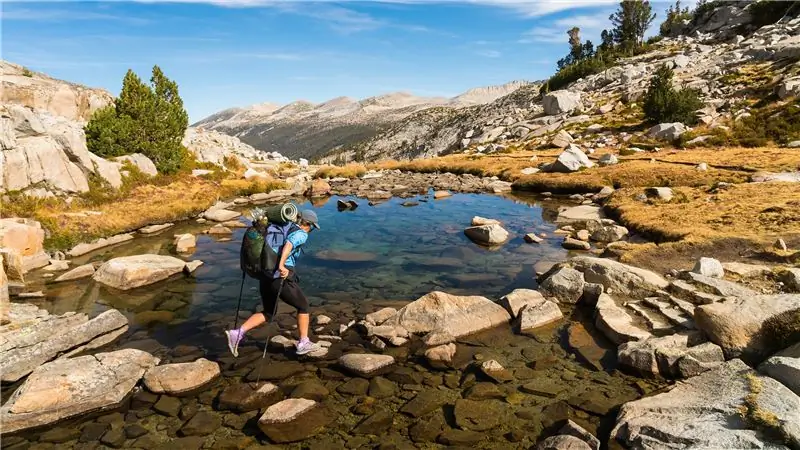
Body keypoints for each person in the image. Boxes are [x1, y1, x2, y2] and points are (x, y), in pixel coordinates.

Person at [225, 209, 322, 356]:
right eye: (312, 227)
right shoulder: (301, 233)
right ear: (307, 224)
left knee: (269, 312)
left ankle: (237, 333)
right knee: (303, 306)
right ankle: (303, 343)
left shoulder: (280, 227)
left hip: (266, 274)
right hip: (280, 275)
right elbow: (289, 245)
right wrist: (282, 265)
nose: (310, 230)